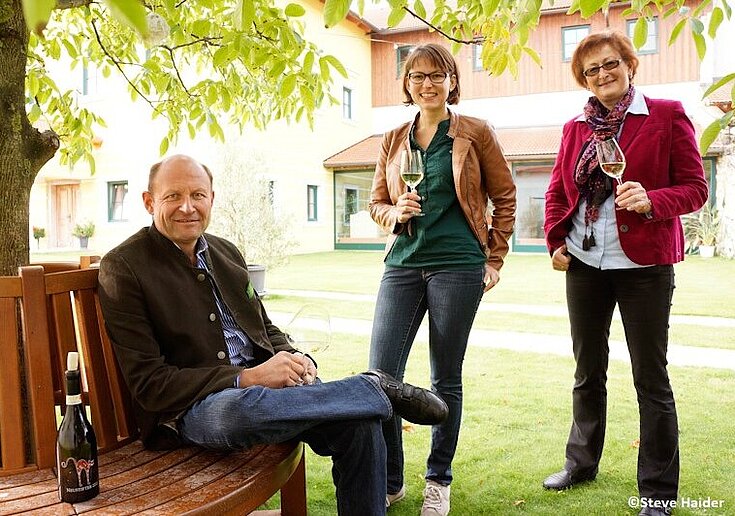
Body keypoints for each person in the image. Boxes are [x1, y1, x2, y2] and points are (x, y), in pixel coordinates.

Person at [98, 154, 450, 516]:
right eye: (173, 196)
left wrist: (296, 359)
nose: (187, 207)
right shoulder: (124, 267)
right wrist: (248, 377)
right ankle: (373, 386)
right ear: (149, 202)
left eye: (198, 195)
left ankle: (367, 391)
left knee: (359, 422)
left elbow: (263, 329)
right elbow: (149, 384)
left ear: (212, 199)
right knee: (233, 413)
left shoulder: (225, 251)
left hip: (270, 395)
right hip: (194, 409)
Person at [542, 31, 708, 516]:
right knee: (586, 372)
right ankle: (581, 463)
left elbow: (695, 188)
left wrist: (653, 201)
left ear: (630, 65)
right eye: (591, 71)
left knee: (650, 378)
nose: (602, 75)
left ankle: (657, 490)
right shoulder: (576, 127)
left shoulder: (667, 114)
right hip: (585, 264)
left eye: (610, 64)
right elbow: (556, 191)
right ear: (584, 80)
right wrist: (556, 242)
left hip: (645, 266)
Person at [368, 43, 516, 515]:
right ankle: (391, 480)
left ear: (452, 80)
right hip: (403, 264)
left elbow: (505, 196)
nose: (426, 84)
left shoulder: (474, 133)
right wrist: (395, 212)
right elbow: (375, 203)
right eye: (416, 77)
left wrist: (493, 259)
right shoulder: (393, 139)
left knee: (444, 377)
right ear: (406, 85)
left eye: (436, 75)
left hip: (458, 264)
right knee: (380, 375)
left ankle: (438, 480)